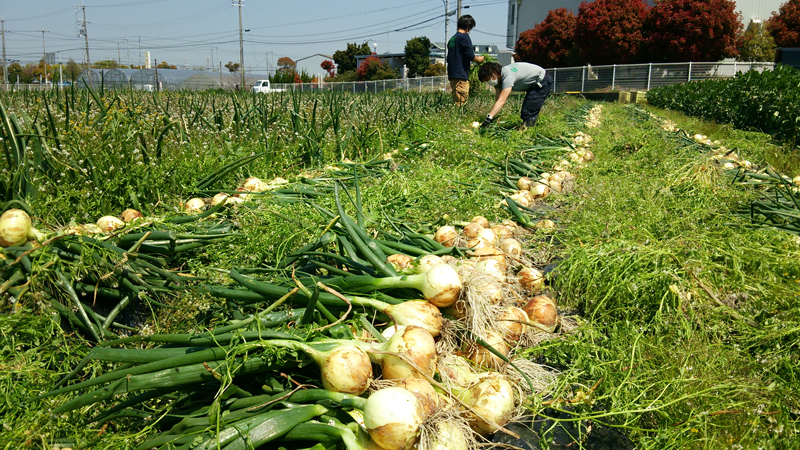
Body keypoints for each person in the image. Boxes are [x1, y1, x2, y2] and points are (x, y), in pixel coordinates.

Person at [478, 61, 553, 129]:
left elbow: (502, 101)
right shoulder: (498, 80)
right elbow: (498, 100)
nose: (488, 82)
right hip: (533, 84)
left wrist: (489, 118)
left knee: (528, 111)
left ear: (494, 73)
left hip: (542, 81)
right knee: (527, 110)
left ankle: (528, 132)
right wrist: (493, 116)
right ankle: (526, 128)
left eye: (487, 80)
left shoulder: (507, 75)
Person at [447, 15, 485, 106]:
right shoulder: (464, 37)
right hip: (460, 74)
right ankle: (460, 118)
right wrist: (479, 59)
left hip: (453, 73)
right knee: (461, 102)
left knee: (457, 99)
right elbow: (470, 56)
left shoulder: (453, 38)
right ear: (468, 25)